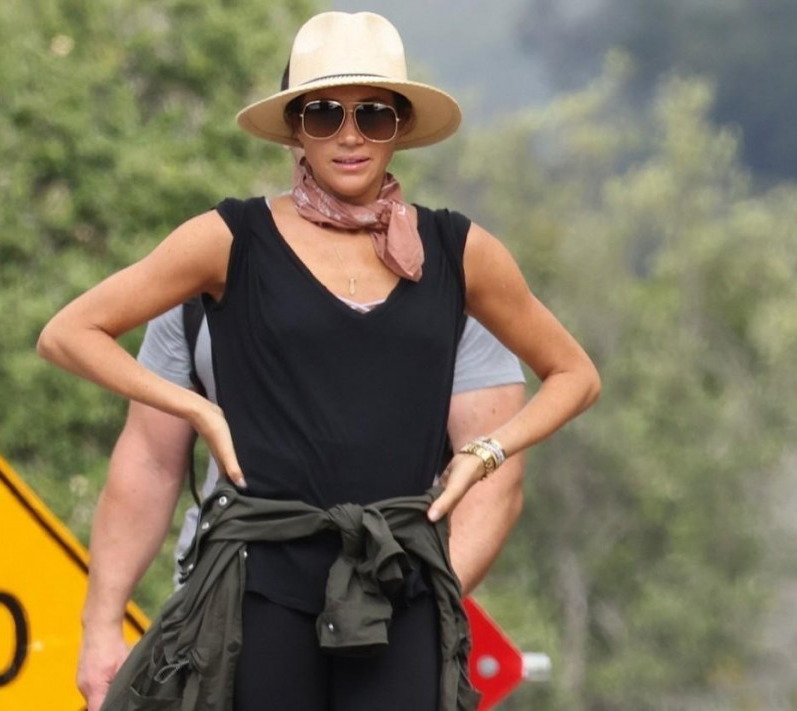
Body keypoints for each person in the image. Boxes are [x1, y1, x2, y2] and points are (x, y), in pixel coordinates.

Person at [38, 11, 600, 711]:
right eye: (325, 113)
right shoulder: (229, 238)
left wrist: (485, 452)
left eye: (373, 114)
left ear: (400, 125)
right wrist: (196, 408)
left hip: (401, 581)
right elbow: (68, 333)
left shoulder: (458, 251)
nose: (350, 134)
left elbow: (576, 375)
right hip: (258, 582)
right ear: (295, 128)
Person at [76, 302, 527, 710]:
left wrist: (415, 605)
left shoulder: (453, 279)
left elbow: (494, 483)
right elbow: (150, 461)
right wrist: (101, 627)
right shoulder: (203, 269)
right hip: (225, 612)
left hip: (390, 606)